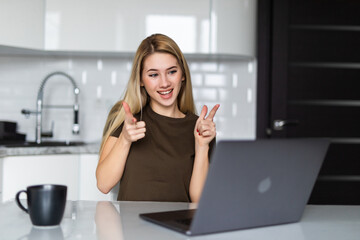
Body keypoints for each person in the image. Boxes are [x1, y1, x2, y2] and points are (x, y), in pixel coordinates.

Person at [96, 33, 219, 203]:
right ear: (140, 80)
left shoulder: (199, 128)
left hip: (178, 227)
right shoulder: (127, 119)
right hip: (133, 228)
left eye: (172, 72)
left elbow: (198, 201)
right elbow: (103, 184)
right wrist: (125, 139)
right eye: (153, 75)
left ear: (182, 74)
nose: (164, 83)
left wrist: (202, 146)